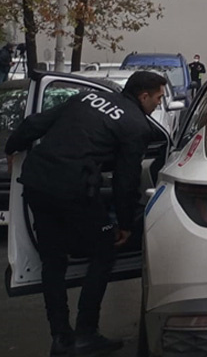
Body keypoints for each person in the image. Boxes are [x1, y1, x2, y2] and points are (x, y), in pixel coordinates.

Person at [5, 71, 164, 356]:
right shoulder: (137, 125)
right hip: (73, 190)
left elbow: (37, 123)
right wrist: (125, 224)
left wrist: (11, 147)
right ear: (144, 96)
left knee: (53, 261)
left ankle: (61, 338)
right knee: (105, 249)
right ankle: (86, 333)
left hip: (37, 182)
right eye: (158, 98)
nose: (158, 103)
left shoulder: (90, 97)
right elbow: (125, 181)